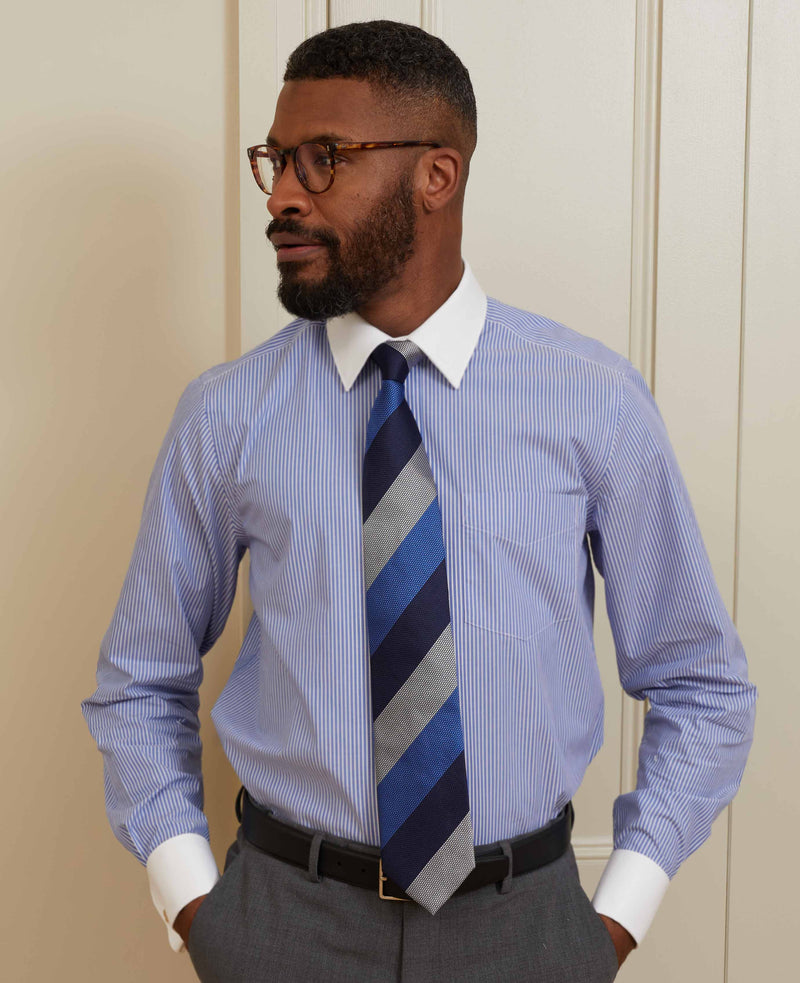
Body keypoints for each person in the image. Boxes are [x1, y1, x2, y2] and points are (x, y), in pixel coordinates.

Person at [81, 19, 757, 983]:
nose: (282, 196)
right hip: (284, 925)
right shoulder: (227, 413)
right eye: (276, 160)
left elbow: (700, 682)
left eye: (324, 159)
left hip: (525, 930)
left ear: (436, 174)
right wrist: (200, 907)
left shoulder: (593, 400)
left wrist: (611, 922)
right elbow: (139, 679)